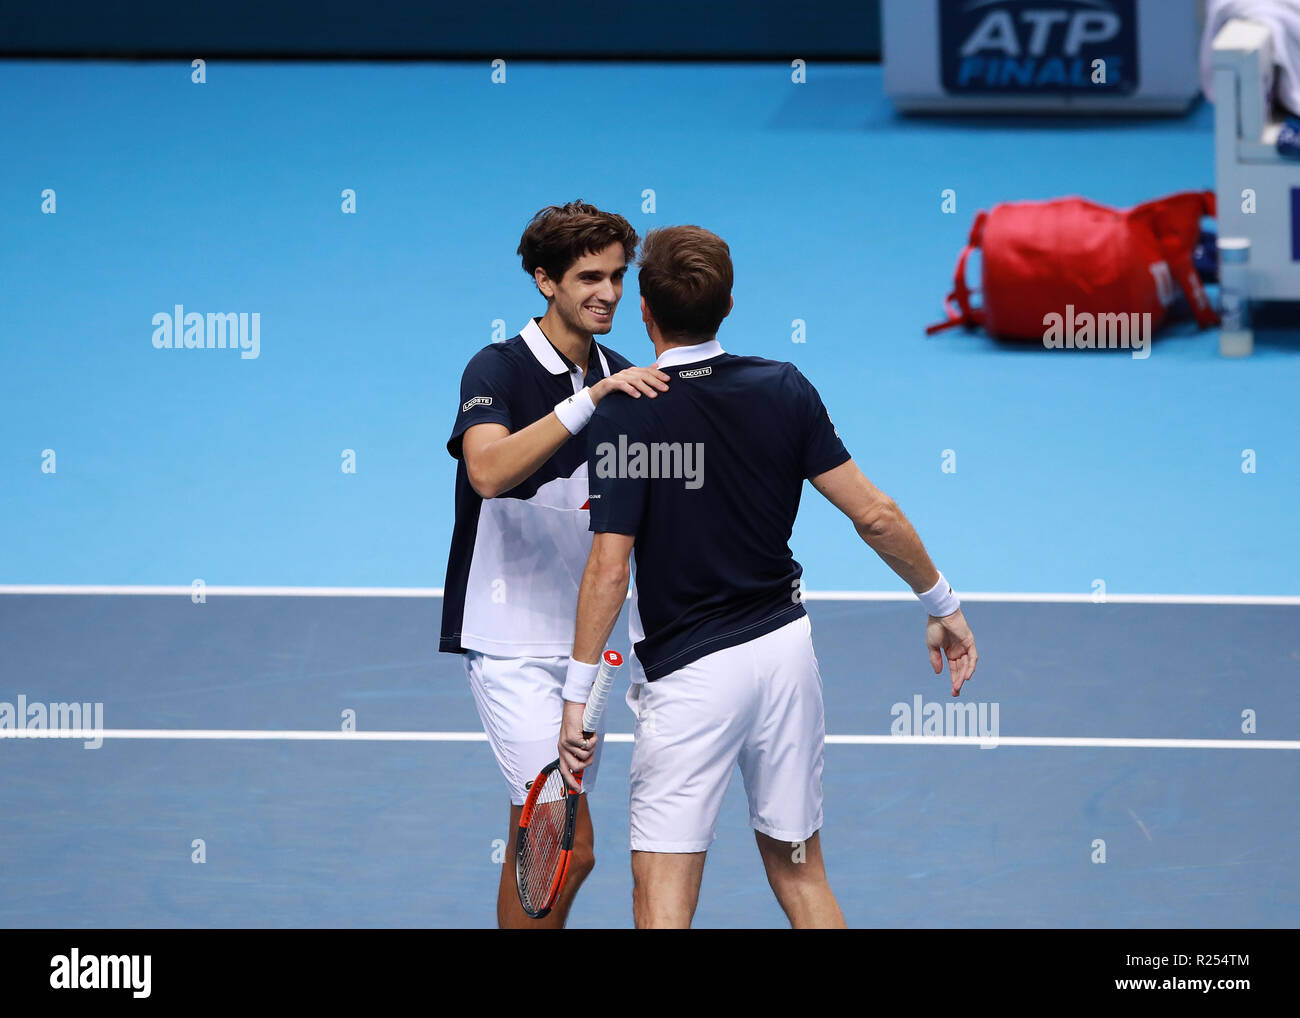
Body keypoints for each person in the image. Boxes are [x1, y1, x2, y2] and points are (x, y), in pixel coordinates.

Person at [556, 225, 978, 928]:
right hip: (785, 658)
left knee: (661, 896)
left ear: (645, 313)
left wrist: (576, 697)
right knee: (801, 873)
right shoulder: (785, 387)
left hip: (691, 677)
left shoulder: (628, 413)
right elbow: (875, 514)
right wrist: (942, 602)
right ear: (727, 304)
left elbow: (609, 567)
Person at [440, 201, 670, 928]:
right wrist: (588, 402)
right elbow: (487, 470)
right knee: (565, 838)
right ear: (544, 279)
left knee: (547, 841)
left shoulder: (629, 380)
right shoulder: (498, 368)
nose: (606, 293)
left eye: (616, 276)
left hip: (592, 650)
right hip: (509, 640)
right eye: (587, 277)